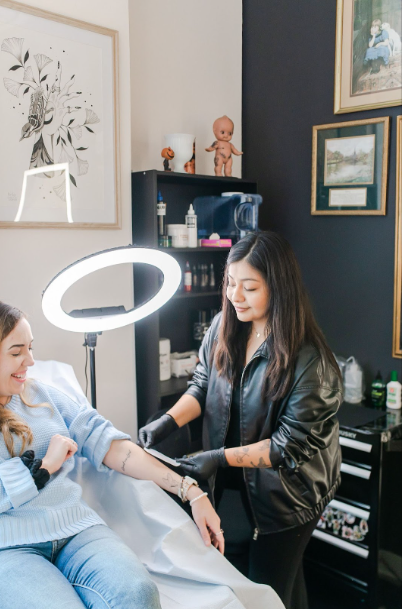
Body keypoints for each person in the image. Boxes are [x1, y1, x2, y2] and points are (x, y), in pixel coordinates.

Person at [138, 231, 343, 609]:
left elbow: (287, 446)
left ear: (279, 288)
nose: (235, 296)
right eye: (231, 283)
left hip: (288, 496)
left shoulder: (311, 362)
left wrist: (217, 457)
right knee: (264, 582)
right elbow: (202, 385)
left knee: (268, 589)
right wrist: (167, 421)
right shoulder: (224, 325)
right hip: (238, 483)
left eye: (249, 287)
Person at [0, 302, 224, 609]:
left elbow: (110, 444)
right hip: (9, 548)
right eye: (16, 352)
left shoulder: (43, 395)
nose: (30, 360)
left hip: (76, 529)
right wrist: (46, 467)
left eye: (30, 348)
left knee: (138, 593)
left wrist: (189, 490)